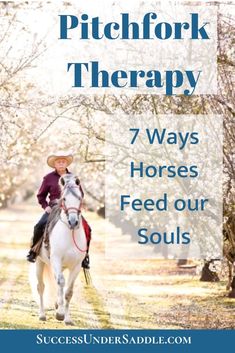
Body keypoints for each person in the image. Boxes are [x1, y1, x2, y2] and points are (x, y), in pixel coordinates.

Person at [26, 151, 91, 268]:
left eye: (63, 161)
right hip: (54, 208)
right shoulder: (48, 178)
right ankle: (34, 251)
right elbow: (41, 195)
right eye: (58, 162)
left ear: (66, 164)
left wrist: (75, 204)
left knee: (87, 228)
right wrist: (46, 207)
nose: (61, 164)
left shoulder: (73, 178)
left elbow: (80, 193)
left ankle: (85, 256)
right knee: (39, 226)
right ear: (55, 164)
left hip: (70, 208)